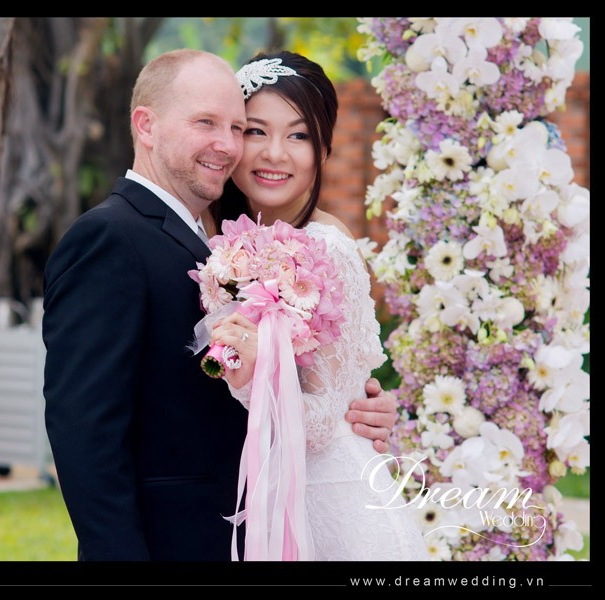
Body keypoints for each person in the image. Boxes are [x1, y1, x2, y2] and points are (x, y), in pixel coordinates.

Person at [42, 48, 399, 561]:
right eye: (209, 123)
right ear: (146, 125)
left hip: (278, 521)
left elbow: (318, 393)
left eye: (235, 127)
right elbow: (85, 432)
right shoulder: (111, 238)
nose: (228, 144)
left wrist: (355, 408)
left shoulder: (217, 239)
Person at [207, 50, 430, 561]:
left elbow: (323, 421)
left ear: (324, 148)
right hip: (271, 503)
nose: (274, 154)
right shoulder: (222, 242)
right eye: (256, 131)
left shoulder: (326, 249)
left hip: (331, 511)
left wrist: (249, 374)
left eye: (299, 136)